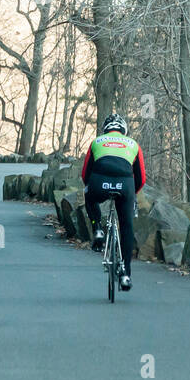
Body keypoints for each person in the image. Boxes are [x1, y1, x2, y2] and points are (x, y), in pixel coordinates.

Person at [79, 112, 145, 291]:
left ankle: (98, 229)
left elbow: (85, 173)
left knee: (89, 197)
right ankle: (125, 274)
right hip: (125, 185)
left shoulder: (96, 142)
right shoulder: (133, 144)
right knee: (126, 226)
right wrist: (132, 195)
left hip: (99, 182)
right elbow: (141, 178)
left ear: (105, 130)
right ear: (123, 130)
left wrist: (91, 188)